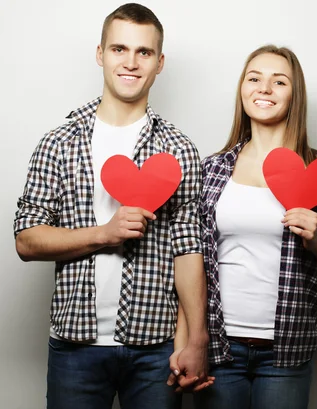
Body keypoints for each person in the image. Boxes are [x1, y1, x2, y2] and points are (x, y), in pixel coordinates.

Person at [13, 3, 212, 408]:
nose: (131, 62)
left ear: (159, 63)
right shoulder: (60, 142)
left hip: (156, 350)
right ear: (100, 53)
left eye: (144, 52)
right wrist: (105, 234)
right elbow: (26, 240)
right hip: (75, 346)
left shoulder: (178, 150)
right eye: (120, 49)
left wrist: (196, 339)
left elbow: (188, 250)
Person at [172, 44, 317, 409]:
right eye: (254, 78)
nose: (264, 89)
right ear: (243, 89)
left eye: (279, 82)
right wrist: (185, 343)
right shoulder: (211, 169)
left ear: (295, 96)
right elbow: (191, 261)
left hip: (286, 351)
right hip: (218, 346)